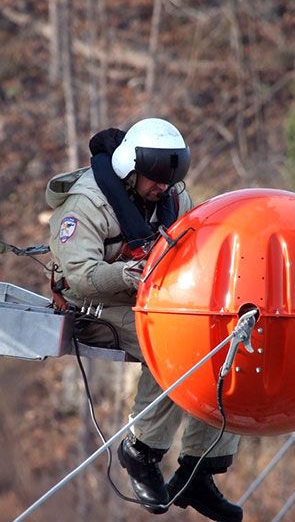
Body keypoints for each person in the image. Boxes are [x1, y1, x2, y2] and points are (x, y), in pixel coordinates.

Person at [45, 118, 244, 522]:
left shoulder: (173, 200)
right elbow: (81, 277)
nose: (162, 188)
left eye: (168, 180)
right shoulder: (86, 205)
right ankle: (141, 451)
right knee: (178, 346)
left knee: (228, 345)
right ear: (129, 172)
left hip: (155, 298)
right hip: (95, 304)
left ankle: (199, 471)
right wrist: (126, 274)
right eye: (154, 180)